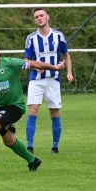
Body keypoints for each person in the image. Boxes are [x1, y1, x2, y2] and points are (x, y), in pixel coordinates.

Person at [0, 41, 65, 174]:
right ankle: (33, 161)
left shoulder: (10, 63)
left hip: (15, 107)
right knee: (9, 141)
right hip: (0, 108)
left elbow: (35, 63)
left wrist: (55, 68)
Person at [25, 8, 74, 154]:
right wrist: (35, 67)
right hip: (36, 80)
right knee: (33, 110)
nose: (39, 18)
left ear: (48, 17)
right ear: (35, 20)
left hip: (53, 80)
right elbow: (27, 60)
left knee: (54, 112)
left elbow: (66, 55)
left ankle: (55, 147)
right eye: (36, 17)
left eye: (41, 15)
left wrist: (68, 72)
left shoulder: (58, 36)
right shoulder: (31, 38)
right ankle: (29, 146)